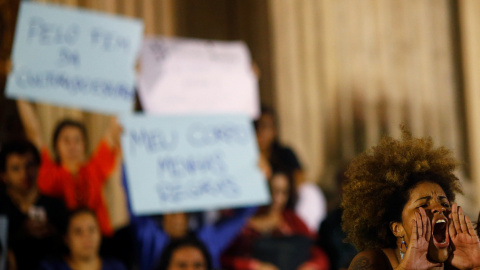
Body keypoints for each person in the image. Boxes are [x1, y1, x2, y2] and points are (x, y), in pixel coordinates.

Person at [342, 129, 480, 269]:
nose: (440, 208)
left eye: (444, 203)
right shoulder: (375, 261)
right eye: (423, 205)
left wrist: (475, 265)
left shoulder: (460, 263)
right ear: (398, 228)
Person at [16, 100, 121, 236]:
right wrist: (20, 96)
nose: (72, 146)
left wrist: (120, 98)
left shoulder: (94, 169)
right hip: (57, 241)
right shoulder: (48, 171)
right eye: (66, 140)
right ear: (56, 145)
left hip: (98, 242)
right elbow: (33, 133)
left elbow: (112, 134)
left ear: (84, 145)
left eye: (77, 140)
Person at [221, 171, 329, 270]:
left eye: (283, 192)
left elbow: (317, 252)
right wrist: (253, 266)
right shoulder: (240, 224)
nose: (277, 198)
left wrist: (312, 266)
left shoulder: (293, 221)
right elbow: (220, 257)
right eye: (271, 191)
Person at [254, 106, 326, 232]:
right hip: (259, 209)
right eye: (256, 127)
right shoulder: (246, 157)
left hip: (285, 206)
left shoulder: (284, 153)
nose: (261, 132)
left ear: (274, 130)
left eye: (265, 127)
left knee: (310, 191)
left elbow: (299, 180)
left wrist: (281, 191)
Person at [0, 140, 67, 270]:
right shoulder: (1, 205)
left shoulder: (56, 205)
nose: (24, 173)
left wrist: (53, 232)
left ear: (38, 167)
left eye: (29, 165)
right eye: (15, 168)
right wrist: (21, 233)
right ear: (3, 175)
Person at [134, 207, 256, 270]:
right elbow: (134, 206)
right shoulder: (149, 240)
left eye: (198, 265)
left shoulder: (209, 242)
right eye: (181, 265)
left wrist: (254, 173)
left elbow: (242, 215)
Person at [38, 208, 126, 270]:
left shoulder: (116, 267)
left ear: (100, 234)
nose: (86, 237)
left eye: (91, 230)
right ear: (66, 239)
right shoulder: (49, 267)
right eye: (78, 232)